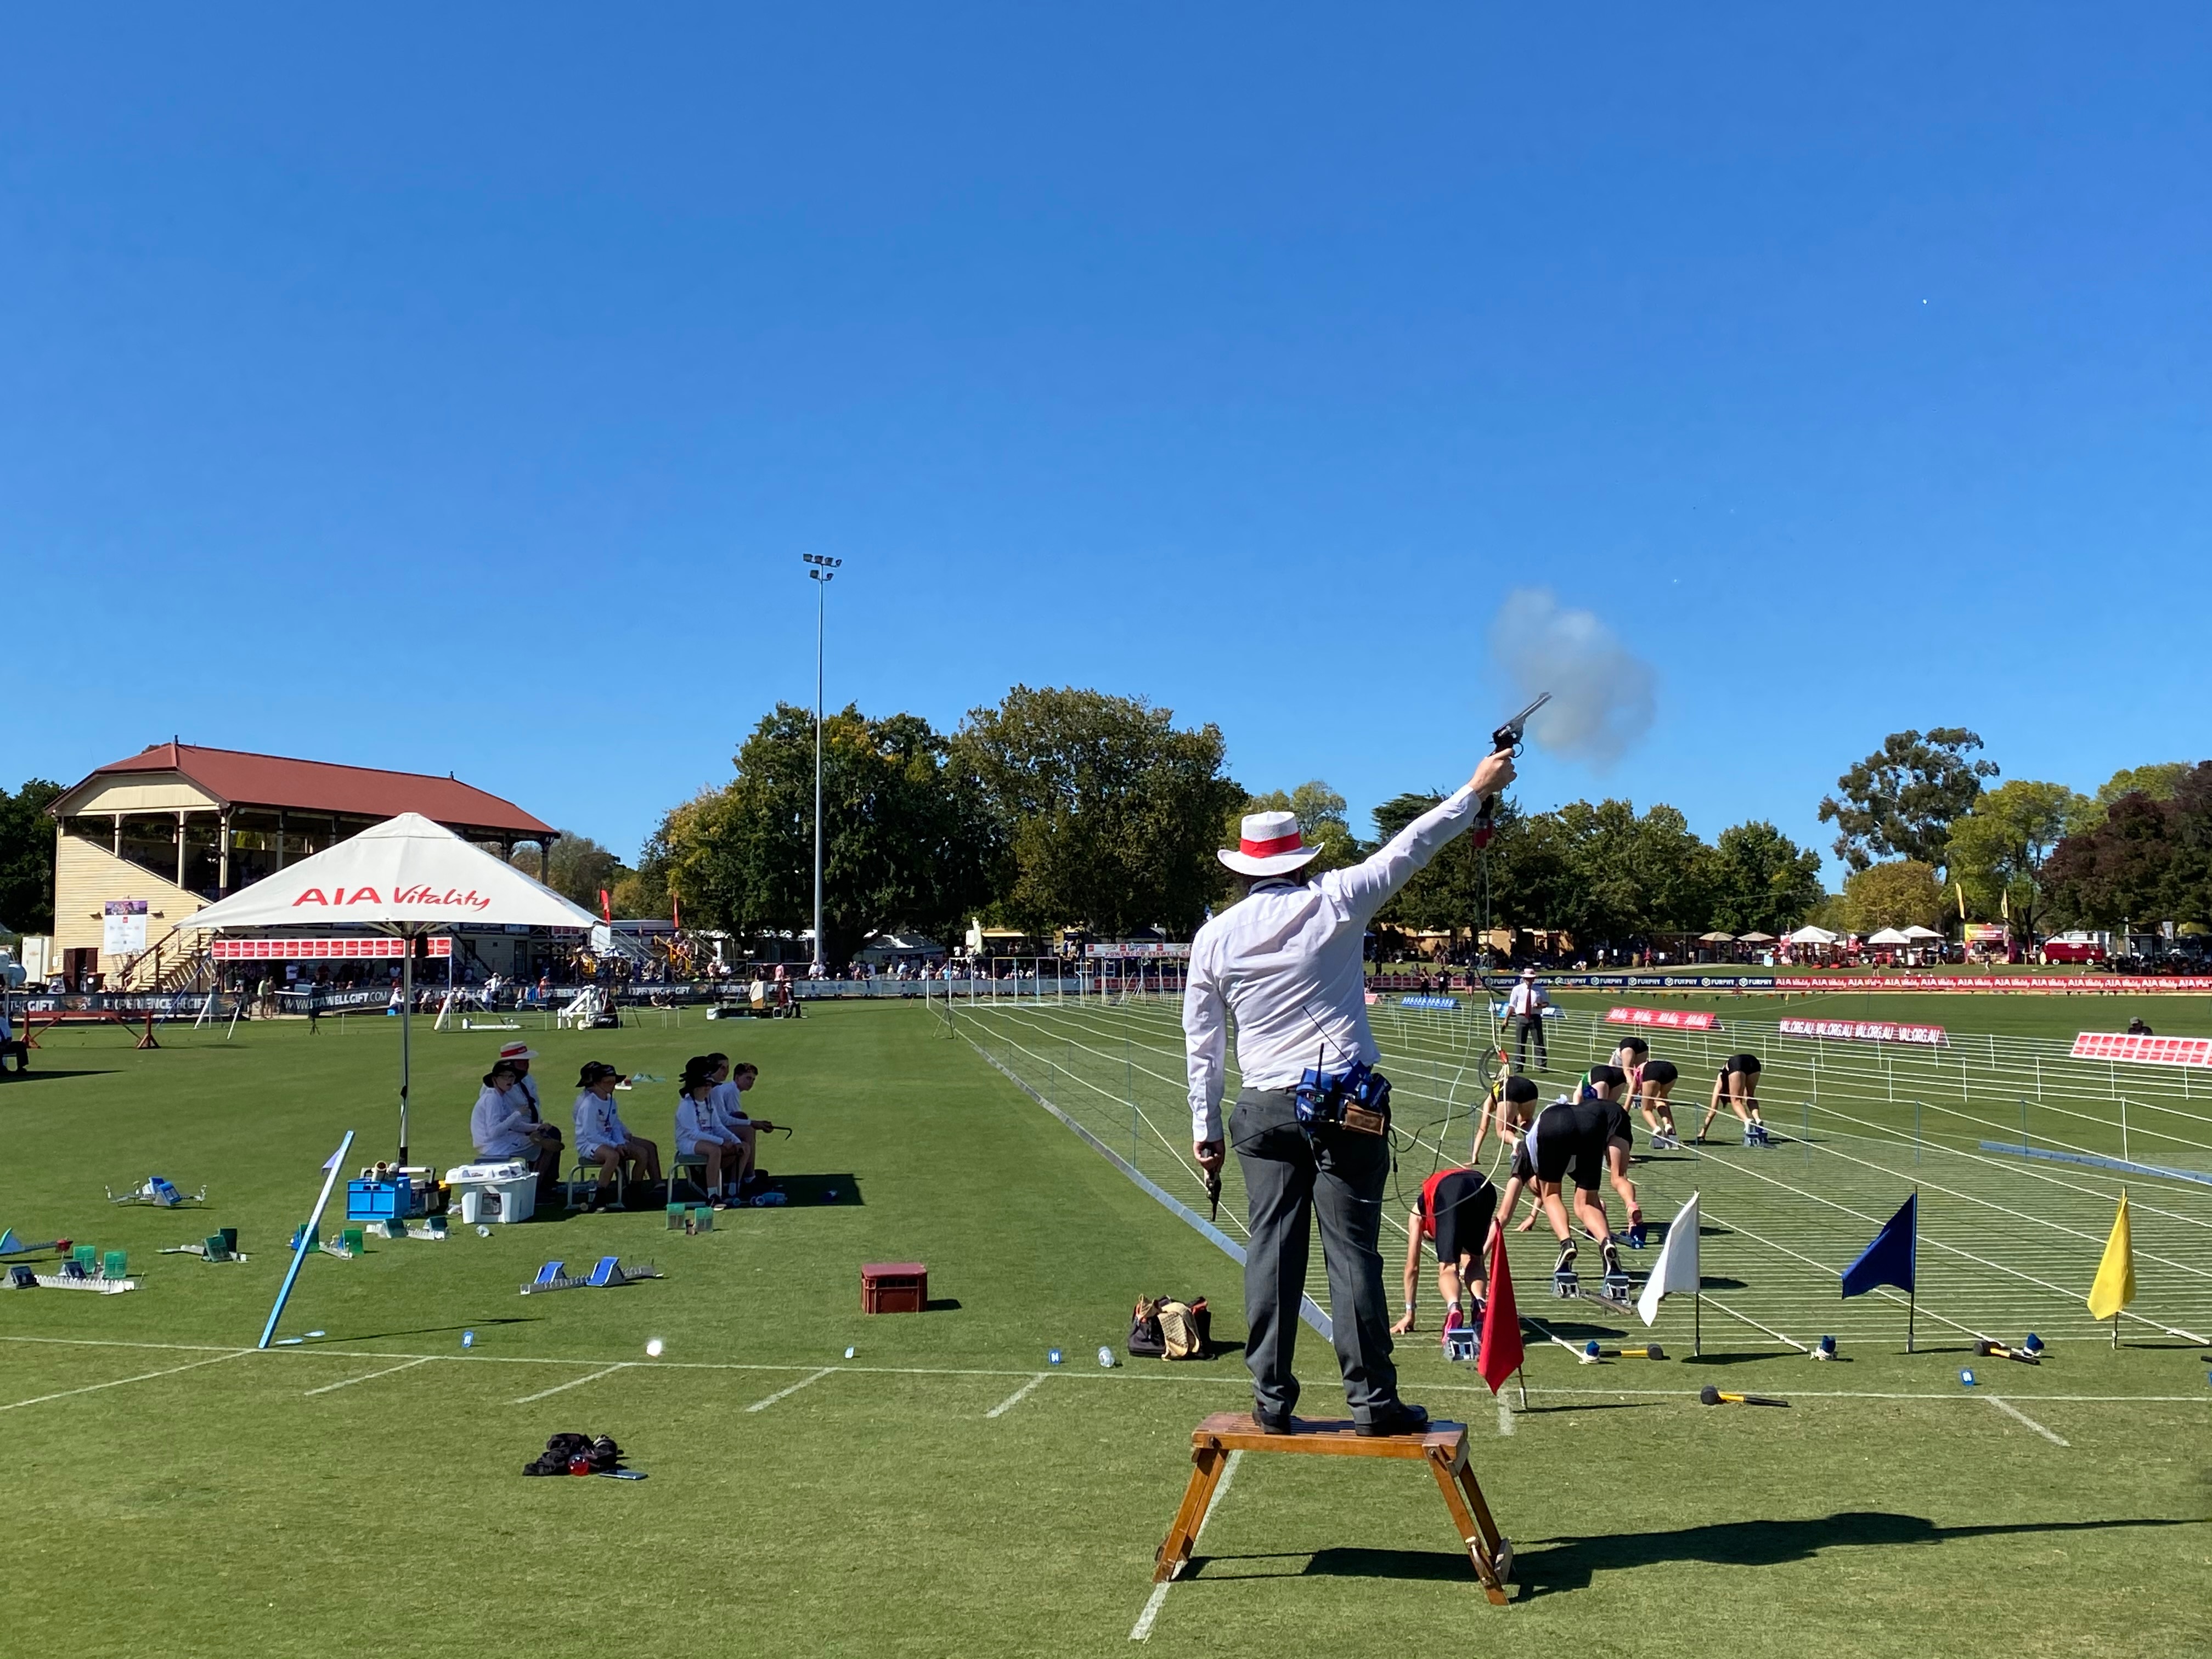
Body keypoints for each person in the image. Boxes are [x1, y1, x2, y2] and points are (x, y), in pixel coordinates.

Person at [1185, 742, 1516, 1438]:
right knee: (1354, 1254)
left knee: (1271, 1254)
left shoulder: (1213, 937)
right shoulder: (1335, 898)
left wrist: (1204, 1130)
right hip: (1347, 1108)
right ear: (1302, 859)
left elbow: (1203, 1043)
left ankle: (1270, 1402)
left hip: (1262, 1110)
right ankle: (1373, 1403)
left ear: (1245, 869)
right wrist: (1477, 790)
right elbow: (1412, 845)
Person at [1517, 1085, 1634, 1286]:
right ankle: (1607, 1243)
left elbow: (1542, 1191)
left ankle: (1567, 1243)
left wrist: (1533, 1213)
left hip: (1554, 1124)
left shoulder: (1526, 1154)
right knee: (1587, 1202)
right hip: (1591, 1123)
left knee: (1551, 1195)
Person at [1390, 1163, 1499, 1336]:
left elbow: (1412, 1267)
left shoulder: (1418, 1214)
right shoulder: (1436, 1199)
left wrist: (1409, 1313)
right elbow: (1465, 1251)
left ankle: (1454, 1307)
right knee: (1476, 1260)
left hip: (1452, 1189)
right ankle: (1479, 1303)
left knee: (1448, 1267)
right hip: (1483, 1185)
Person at [574, 1061, 662, 1209]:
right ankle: (600, 1196)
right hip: (589, 1144)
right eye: (607, 1082)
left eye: (614, 1082)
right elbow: (591, 1135)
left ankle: (634, 1192)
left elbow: (614, 1126)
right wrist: (616, 1146)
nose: (612, 1086)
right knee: (613, 1156)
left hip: (609, 1140)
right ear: (596, 1084)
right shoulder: (589, 1104)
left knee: (642, 1153)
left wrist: (621, 1143)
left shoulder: (611, 1101)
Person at [470, 1059, 563, 1182]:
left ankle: (539, 1185)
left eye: (512, 1077)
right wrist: (517, 1114)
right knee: (545, 1146)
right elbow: (494, 1132)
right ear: (494, 1079)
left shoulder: (501, 1097)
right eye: (505, 1077)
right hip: (493, 1145)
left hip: (502, 1140)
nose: (509, 1081)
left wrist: (536, 1127)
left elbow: (515, 1125)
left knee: (546, 1140)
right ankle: (538, 1188)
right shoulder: (492, 1099)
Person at [673, 1060, 741, 1206]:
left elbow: (718, 1127)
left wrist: (735, 1141)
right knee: (715, 1151)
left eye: (709, 1085)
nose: (707, 1088)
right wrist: (722, 1142)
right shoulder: (686, 1105)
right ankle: (712, 1195)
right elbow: (693, 1133)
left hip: (705, 1140)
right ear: (695, 1087)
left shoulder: (709, 1103)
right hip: (687, 1142)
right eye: (704, 1085)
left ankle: (714, 1183)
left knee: (736, 1149)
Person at [1700, 1052, 1770, 1146]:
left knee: (1736, 1101)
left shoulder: (1720, 1080)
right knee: (1750, 1096)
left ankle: (1747, 1122)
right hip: (1754, 1061)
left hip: (1737, 1063)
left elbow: (1713, 1110)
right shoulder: (1725, 1078)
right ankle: (1758, 1120)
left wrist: (1703, 1132)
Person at [1505, 967, 1549, 1071]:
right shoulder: (1517, 989)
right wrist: (1506, 1019)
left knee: (1539, 1042)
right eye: (1527, 978)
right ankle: (1518, 1067)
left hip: (1535, 1017)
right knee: (1520, 1043)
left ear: (1534, 979)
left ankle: (1542, 1066)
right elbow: (1512, 1005)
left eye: (1531, 978)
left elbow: (1547, 1003)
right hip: (1521, 1017)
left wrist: (1540, 1005)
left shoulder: (1540, 990)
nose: (1529, 980)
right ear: (1524, 979)